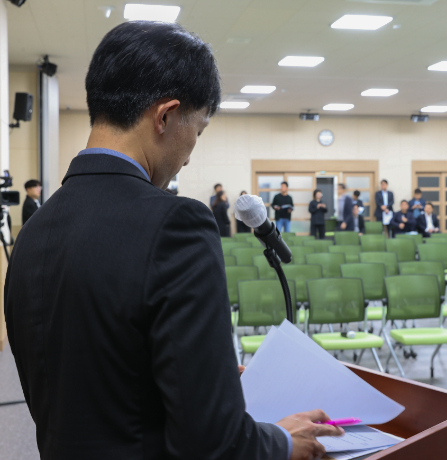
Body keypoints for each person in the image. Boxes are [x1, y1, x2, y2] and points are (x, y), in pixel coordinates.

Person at [5, 21, 342, 460]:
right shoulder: (176, 224)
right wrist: (280, 441)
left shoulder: (32, 233)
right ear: (165, 116)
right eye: (198, 131)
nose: (190, 153)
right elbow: (212, 442)